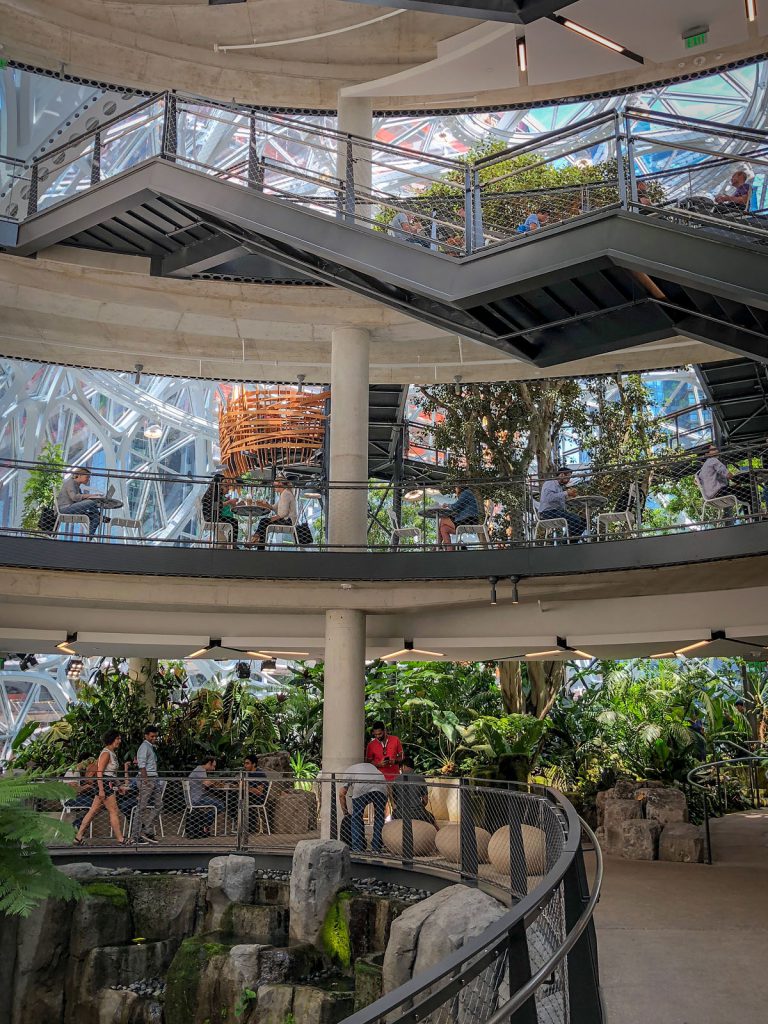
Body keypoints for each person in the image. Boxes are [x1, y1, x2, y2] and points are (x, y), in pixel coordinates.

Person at [74, 730, 129, 845]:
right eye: (118, 738)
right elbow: (100, 772)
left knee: (93, 811)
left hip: (106, 784)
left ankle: (78, 837)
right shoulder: (106, 753)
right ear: (112, 739)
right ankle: (120, 839)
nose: (119, 741)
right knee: (114, 811)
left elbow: (111, 774)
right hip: (104, 784)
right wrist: (101, 790)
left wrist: (119, 786)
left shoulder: (111, 753)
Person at [339, 761, 388, 853]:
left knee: (356, 817)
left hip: (362, 787)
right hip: (381, 786)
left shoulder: (348, 771)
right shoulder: (373, 768)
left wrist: (345, 812)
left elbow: (341, 794)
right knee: (379, 817)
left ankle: (357, 848)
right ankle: (376, 847)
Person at [694, 444, 751, 510]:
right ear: (707, 454)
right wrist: (737, 476)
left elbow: (697, 481)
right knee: (749, 490)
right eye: (714, 450)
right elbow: (728, 475)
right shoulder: (712, 460)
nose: (717, 450)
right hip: (720, 493)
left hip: (711, 499)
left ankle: (750, 516)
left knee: (743, 491)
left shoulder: (702, 470)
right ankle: (755, 513)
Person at [132, 725, 162, 845]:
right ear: (146, 736)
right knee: (141, 807)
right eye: (152, 736)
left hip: (154, 778)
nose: (154, 738)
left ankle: (147, 829)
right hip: (147, 779)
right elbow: (141, 765)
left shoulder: (151, 747)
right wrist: (145, 781)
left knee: (159, 805)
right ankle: (136, 835)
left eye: (155, 736)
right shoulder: (144, 746)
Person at [538, 467, 586, 540]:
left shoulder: (560, 487)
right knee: (575, 519)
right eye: (568, 477)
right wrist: (566, 492)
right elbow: (548, 498)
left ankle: (570, 542)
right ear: (562, 475)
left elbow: (559, 499)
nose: (569, 480)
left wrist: (569, 497)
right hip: (547, 513)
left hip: (557, 512)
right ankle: (566, 541)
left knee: (583, 521)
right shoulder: (550, 483)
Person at [249, 476, 297, 550]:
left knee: (264, 521)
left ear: (280, 484)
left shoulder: (286, 494)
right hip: (286, 520)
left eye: (275, 484)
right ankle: (257, 542)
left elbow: (283, 513)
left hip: (288, 521)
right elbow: (273, 507)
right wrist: (265, 504)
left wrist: (271, 519)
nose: (273, 486)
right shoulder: (284, 493)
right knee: (264, 523)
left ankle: (255, 541)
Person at [57, 466, 105, 538]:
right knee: (92, 502)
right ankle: (100, 515)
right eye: (87, 477)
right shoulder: (70, 482)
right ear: (80, 475)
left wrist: (92, 496)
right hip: (64, 509)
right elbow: (74, 497)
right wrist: (89, 496)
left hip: (71, 508)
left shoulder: (76, 485)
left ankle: (89, 538)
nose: (88, 479)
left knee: (96, 517)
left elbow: (80, 499)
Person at [187, 755, 227, 836]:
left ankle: (203, 822)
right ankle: (204, 823)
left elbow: (205, 785)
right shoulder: (200, 770)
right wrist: (218, 782)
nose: (214, 769)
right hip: (196, 799)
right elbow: (207, 783)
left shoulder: (199, 770)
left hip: (195, 798)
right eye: (213, 766)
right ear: (209, 763)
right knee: (221, 805)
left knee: (217, 802)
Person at [391, 756, 436, 826]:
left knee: (392, 815)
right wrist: (419, 807)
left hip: (400, 813)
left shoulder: (396, 779)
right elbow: (425, 800)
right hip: (418, 813)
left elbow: (394, 800)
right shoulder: (421, 779)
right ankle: (438, 834)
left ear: (403, 766)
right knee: (432, 818)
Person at [201, 471, 239, 546]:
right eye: (224, 483)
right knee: (234, 522)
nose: (226, 485)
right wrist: (228, 502)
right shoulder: (214, 493)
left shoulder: (213, 492)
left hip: (212, 516)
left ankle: (231, 544)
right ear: (218, 483)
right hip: (211, 518)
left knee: (233, 522)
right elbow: (216, 505)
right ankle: (232, 544)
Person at [437, 485, 480, 550]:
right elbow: (458, 510)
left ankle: (438, 544)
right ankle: (449, 549)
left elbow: (455, 507)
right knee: (443, 528)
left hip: (469, 520)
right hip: (465, 520)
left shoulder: (466, 493)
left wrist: (447, 505)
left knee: (443, 519)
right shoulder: (466, 494)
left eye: (455, 488)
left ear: (459, 487)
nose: (455, 490)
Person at [243, 753, 268, 832]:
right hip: (249, 795)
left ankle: (250, 828)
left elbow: (259, 792)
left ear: (254, 764)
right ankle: (242, 826)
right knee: (233, 796)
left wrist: (247, 788)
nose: (245, 765)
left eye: (247, 763)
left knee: (244, 798)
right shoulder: (247, 774)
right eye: (244, 763)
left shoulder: (259, 774)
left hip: (259, 798)